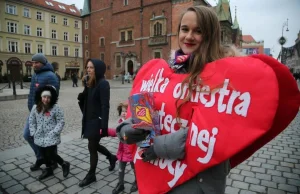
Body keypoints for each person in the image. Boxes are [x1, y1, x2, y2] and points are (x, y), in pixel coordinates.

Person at [116, 6, 300, 194]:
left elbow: (212, 133)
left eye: (198, 31)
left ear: (210, 35)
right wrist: (127, 129)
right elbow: (146, 112)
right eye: (185, 29)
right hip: (158, 172)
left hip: (198, 181)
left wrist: (157, 146)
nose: (189, 36)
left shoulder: (224, 78)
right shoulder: (167, 72)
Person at [77, 59, 117, 187]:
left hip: (97, 121)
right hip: (89, 119)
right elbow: (87, 100)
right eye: (87, 67)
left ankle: (91, 175)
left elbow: (105, 106)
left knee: (92, 147)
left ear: (97, 69)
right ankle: (111, 157)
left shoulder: (103, 84)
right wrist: (85, 89)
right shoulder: (90, 82)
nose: (88, 70)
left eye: (91, 67)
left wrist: (104, 126)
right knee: (92, 145)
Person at [23, 53, 60, 171]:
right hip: (34, 112)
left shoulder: (51, 76)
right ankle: (41, 158)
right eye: (33, 63)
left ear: (43, 63)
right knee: (28, 134)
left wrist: (47, 111)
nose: (34, 65)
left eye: (36, 63)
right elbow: (32, 93)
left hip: (45, 113)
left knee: (49, 138)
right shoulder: (35, 75)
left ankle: (53, 161)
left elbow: (53, 96)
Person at [29, 85, 70, 180]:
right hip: (39, 135)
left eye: (48, 97)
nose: (46, 99)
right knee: (43, 153)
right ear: (40, 97)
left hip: (51, 135)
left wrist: (55, 132)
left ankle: (64, 164)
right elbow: (31, 120)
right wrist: (33, 132)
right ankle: (48, 169)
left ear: (52, 98)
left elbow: (61, 121)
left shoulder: (56, 108)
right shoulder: (35, 107)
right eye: (44, 97)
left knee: (50, 153)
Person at [110, 102, 138, 194]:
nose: (124, 113)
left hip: (130, 149)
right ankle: (121, 184)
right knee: (121, 168)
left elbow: (127, 135)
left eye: (126, 111)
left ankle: (137, 181)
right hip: (122, 150)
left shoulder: (132, 122)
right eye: (122, 111)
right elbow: (117, 133)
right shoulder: (120, 122)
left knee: (134, 168)